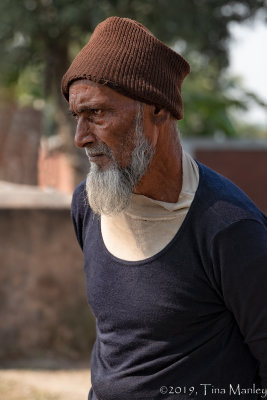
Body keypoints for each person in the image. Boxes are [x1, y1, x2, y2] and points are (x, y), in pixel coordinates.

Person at [61, 16, 267, 400]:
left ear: (158, 110)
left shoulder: (228, 227)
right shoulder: (88, 206)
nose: (80, 138)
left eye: (98, 114)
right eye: (77, 116)